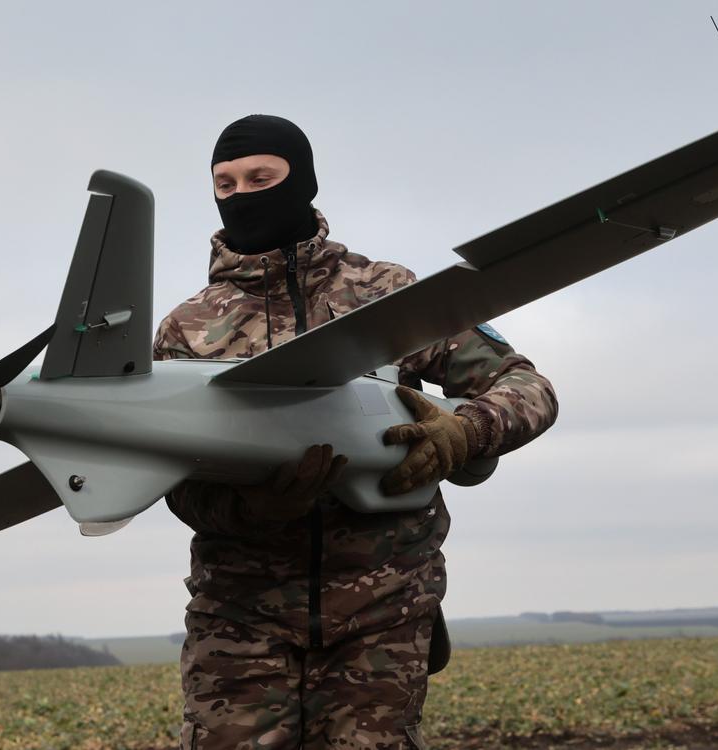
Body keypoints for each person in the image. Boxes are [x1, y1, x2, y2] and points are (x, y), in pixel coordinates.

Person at [154, 114, 558, 750]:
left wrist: (462, 434)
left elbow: (527, 387)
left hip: (384, 608)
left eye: (262, 178)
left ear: (305, 182)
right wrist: (251, 507)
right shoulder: (186, 330)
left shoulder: (388, 295)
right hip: (240, 616)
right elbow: (173, 479)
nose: (242, 196)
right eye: (225, 185)